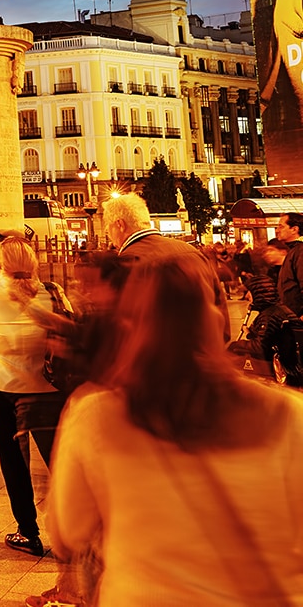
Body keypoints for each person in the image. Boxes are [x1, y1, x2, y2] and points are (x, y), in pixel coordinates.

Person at [48, 252, 303, 605]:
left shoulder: (96, 415)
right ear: (213, 320)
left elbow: (69, 530)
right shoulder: (288, 413)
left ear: (129, 325)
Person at [0, 235, 66, 558]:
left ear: (2, 264)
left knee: (13, 457)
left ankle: (28, 531)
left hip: (0, 383)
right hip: (45, 387)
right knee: (59, 461)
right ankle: (73, 534)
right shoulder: (52, 293)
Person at [275, 210, 303, 315]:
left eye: (281, 226)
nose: (277, 230)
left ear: (294, 229)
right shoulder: (293, 250)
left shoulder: (300, 250)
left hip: (298, 316)